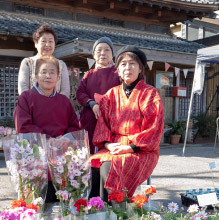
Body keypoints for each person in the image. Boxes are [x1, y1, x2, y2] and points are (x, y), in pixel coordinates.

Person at [91, 45, 164, 201]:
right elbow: (102, 124)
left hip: (141, 149)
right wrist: (108, 144)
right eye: (123, 64)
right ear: (117, 69)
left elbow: (154, 127)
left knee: (109, 167)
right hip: (114, 146)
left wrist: (130, 147)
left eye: (132, 64)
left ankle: (113, 210)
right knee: (91, 165)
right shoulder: (111, 94)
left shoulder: (150, 94)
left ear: (140, 69)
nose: (127, 68)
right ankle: (91, 209)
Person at [14, 56, 80, 203]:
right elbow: (23, 126)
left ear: (58, 77)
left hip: (61, 156)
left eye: (52, 72)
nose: (48, 76)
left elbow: (74, 126)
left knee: (61, 202)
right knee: (37, 203)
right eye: (44, 72)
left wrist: (66, 139)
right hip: (36, 156)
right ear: (36, 75)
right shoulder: (26, 97)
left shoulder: (64, 101)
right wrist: (48, 140)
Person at [76, 37, 120, 198]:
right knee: (87, 160)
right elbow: (80, 93)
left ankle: (105, 196)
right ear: (94, 55)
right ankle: (87, 197)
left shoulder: (118, 73)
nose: (102, 53)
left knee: (105, 160)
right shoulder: (88, 74)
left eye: (106, 50)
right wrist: (92, 104)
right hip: (89, 123)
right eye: (98, 50)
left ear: (113, 54)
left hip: (111, 125)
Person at [18, 24, 70, 98]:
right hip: (32, 105)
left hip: (55, 107)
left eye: (50, 41)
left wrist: (56, 103)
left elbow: (65, 90)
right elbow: (23, 88)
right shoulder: (27, 62)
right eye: (44, 41)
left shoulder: (61, 65)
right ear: (36, 44)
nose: (47, 44)